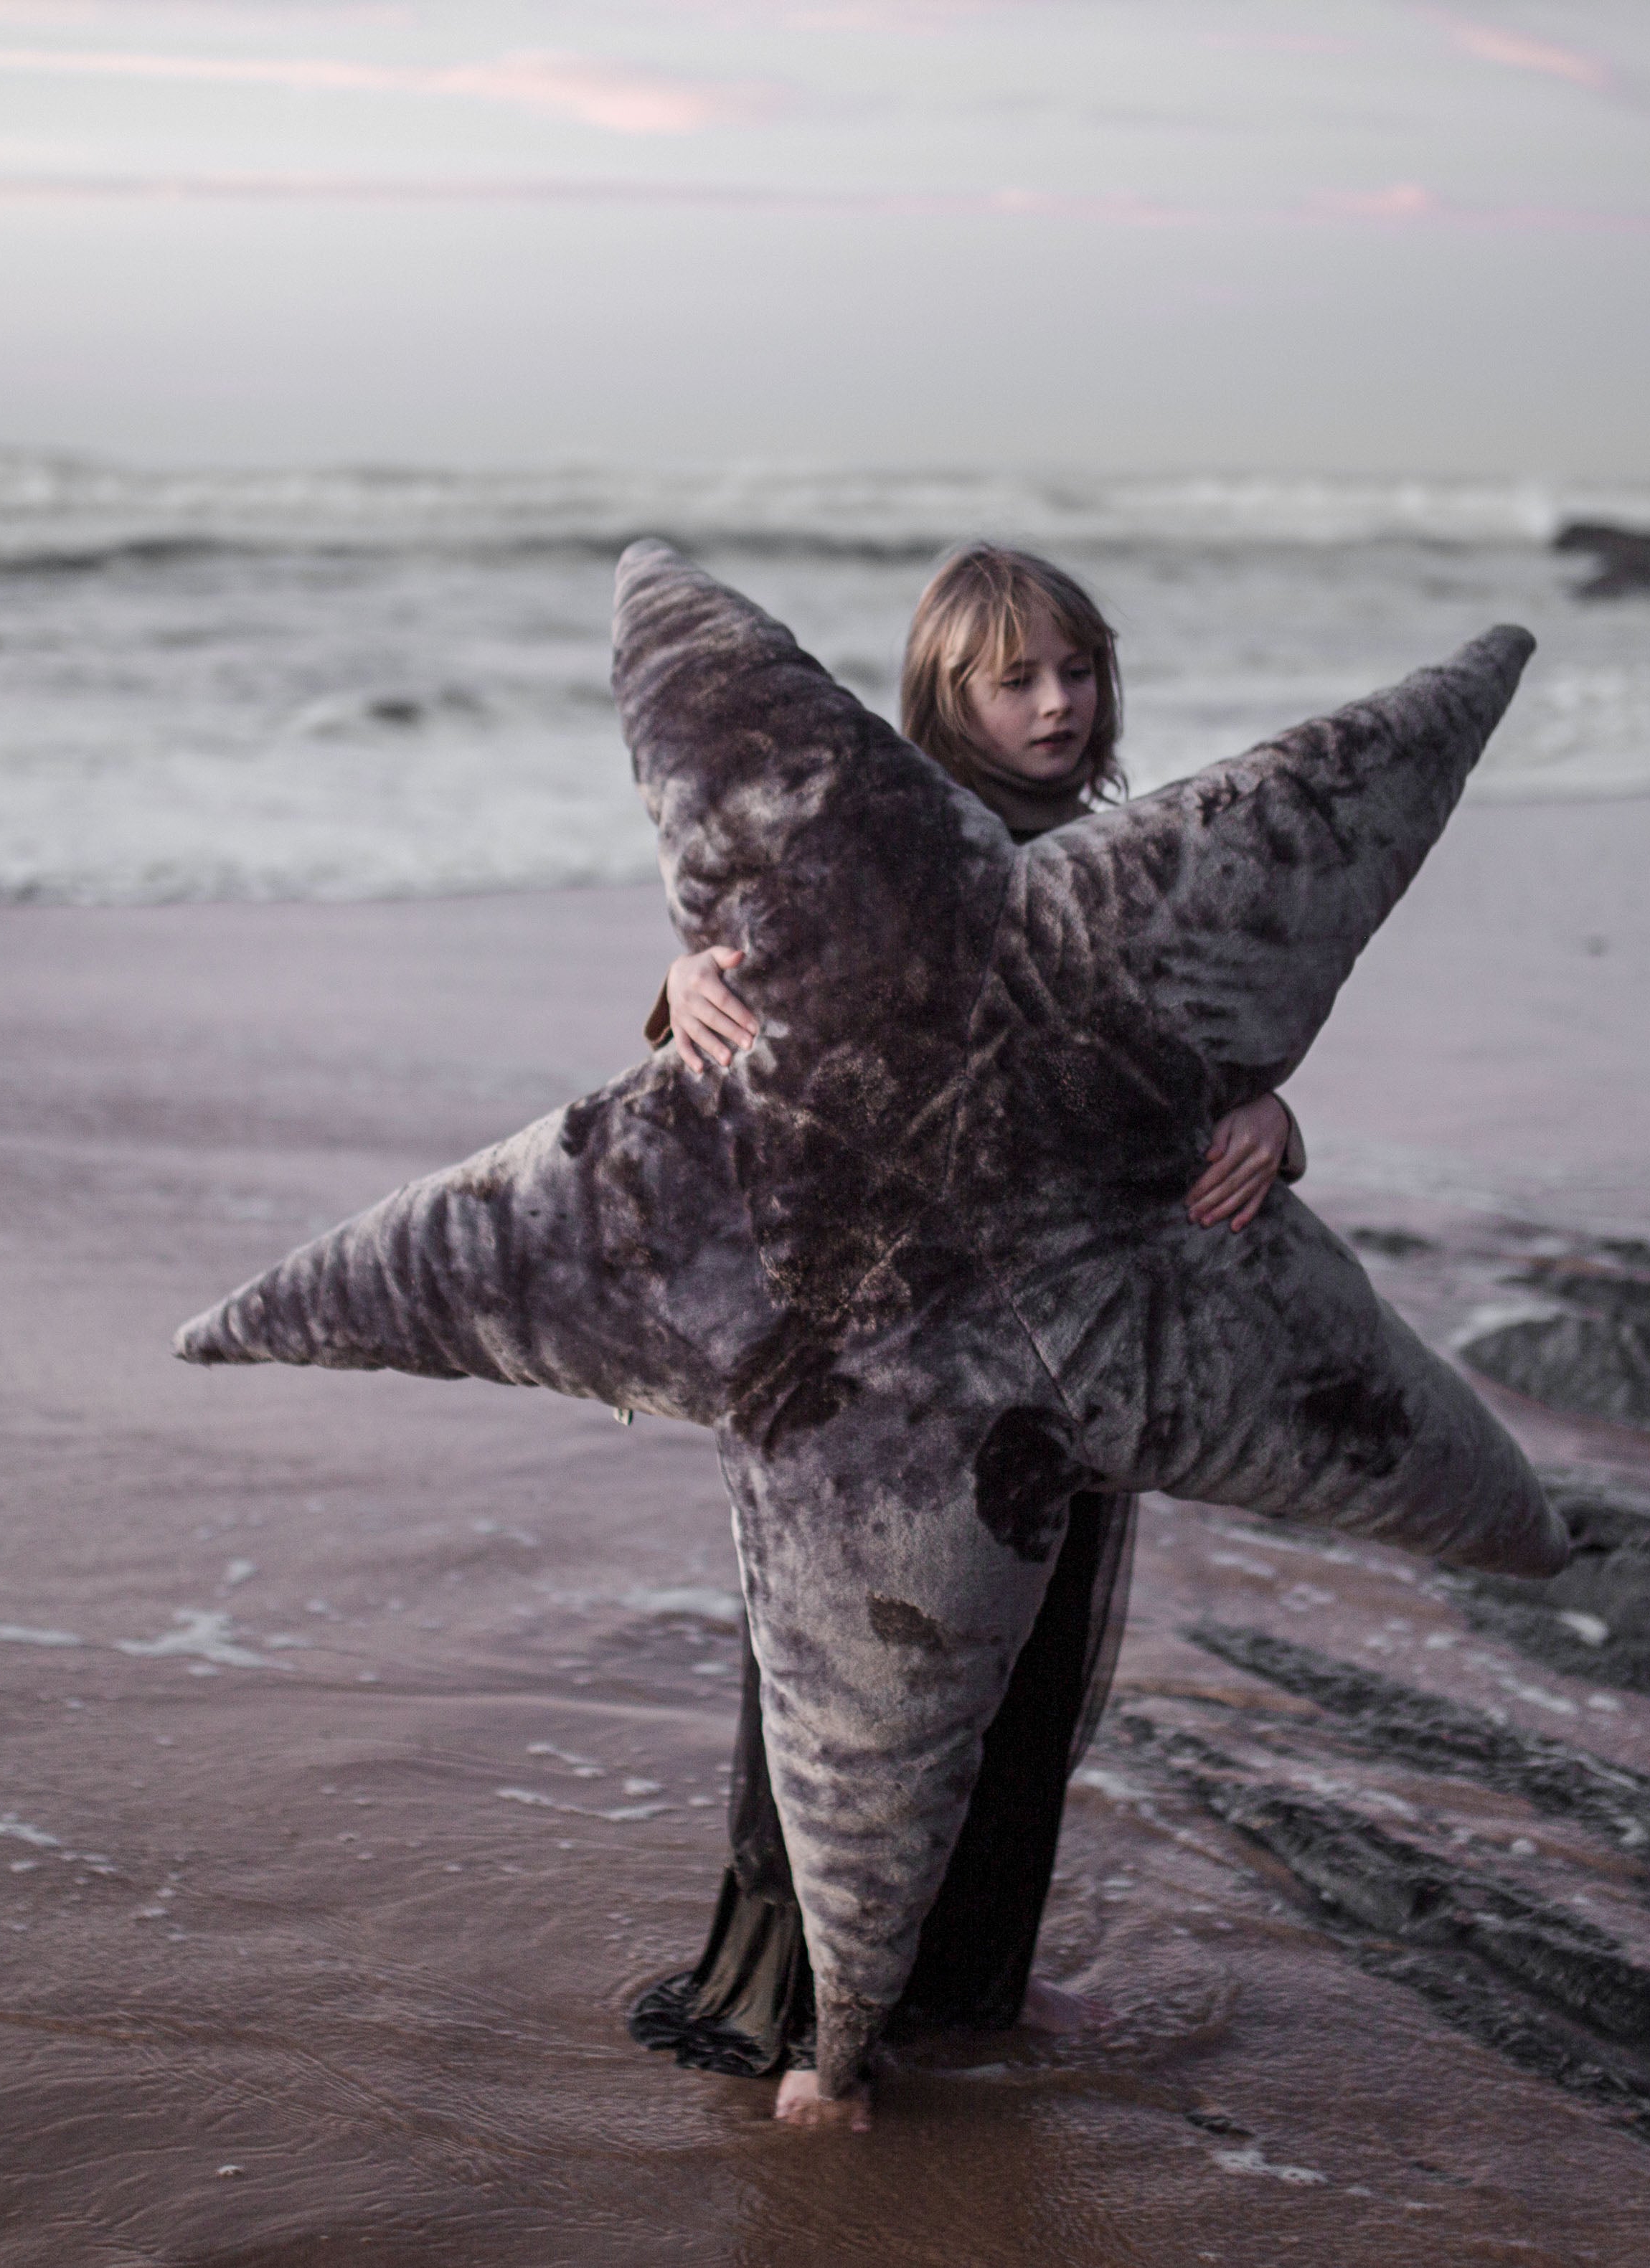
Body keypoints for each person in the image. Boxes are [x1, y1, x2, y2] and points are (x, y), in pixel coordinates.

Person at [628, 544, 1306, 2125]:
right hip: (867, 1356)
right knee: (834, 1675)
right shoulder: (866, 848)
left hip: (1051, 1347)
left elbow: (1201, 1060)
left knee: (1025, 1659)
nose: (1059, 702)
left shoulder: (1135, 862)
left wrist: (1271, 1108)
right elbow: (718, 1036)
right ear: (948, 691)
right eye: (1020, 677)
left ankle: (974, 1982)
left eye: (1078, 669)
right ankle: (804, 2016)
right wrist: (672, 989)